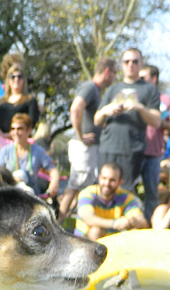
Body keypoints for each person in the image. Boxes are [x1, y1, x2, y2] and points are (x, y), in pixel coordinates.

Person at [94, 48, 163, 192]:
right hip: (107, 147)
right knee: (103, 190)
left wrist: (139, 108)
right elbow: (96, 120)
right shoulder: (112, 89)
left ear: (141, 64)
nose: (130, 65)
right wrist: (106, 110)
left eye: (135, 61)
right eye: (126, 61)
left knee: (124, 192)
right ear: (122, 65)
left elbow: (157, 121)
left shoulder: (149, 90)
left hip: (131, 150)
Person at [58, 57, 117, 222]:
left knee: (82, 186)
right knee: (76, 184)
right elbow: (75, 108)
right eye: (114, 72)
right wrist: (80, 136)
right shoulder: (90, 87)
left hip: (89, 148)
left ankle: (64, 221)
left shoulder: (96, 90)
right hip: (83, 147)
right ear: (107, 71)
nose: (115, 77)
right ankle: (58, 223)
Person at [139, 65, 170, 221]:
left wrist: (159, 122)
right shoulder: (134, 97)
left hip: (153, 154)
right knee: (125, 191)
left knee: (152, 195)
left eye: (144, 77)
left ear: (154, 79)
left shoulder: (165, 100)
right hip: (132, 152)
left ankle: (152, 229)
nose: (139, 80)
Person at [74, 163, 149, 240]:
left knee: (134, 232)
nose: (107, 183)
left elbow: (143, 222)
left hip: (113, 243)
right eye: (104, 178)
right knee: (96, 231)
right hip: (83, 243)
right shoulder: (87, 193)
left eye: (112, 180)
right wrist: (115, 224)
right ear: (99, 178)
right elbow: (89, 219)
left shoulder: (126, 197)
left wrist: (134, 221)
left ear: (120, 182)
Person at [0, 114, 59, 198]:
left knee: (23, 173)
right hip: (10, 193)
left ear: (29, 131)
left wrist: (54, 181)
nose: (15, 132)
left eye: (20, 129)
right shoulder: (5, 150)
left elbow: (53, 169)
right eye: (13, 129)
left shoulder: (38, 151)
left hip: (31, 194)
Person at [0, 63, 39, 135]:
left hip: (21, 139)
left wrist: (16, 133)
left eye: (19, 76)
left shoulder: (30, 100)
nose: (16, 79)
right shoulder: (0, 102)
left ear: (24, 80)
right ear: (8, 80)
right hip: (2, 139)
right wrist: (3, 135)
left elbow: (32, 122)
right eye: (12, 76)